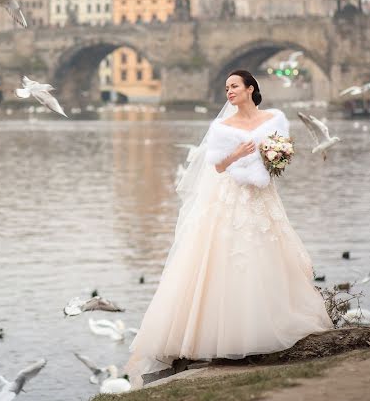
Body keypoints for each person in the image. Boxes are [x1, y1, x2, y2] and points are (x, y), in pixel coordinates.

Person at [125, 69, 332, 386]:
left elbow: (281, 155)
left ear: (251, 89)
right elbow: (218, 166)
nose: (229, 91)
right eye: (226, 88)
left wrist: (275, 157)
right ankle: (220, 334)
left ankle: (265, 324)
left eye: (234, 86)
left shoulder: (273, 118)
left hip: (262, 196)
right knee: (229, 253)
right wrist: (237, 154)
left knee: (266, 251)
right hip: (231, 196)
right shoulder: (222, 126)